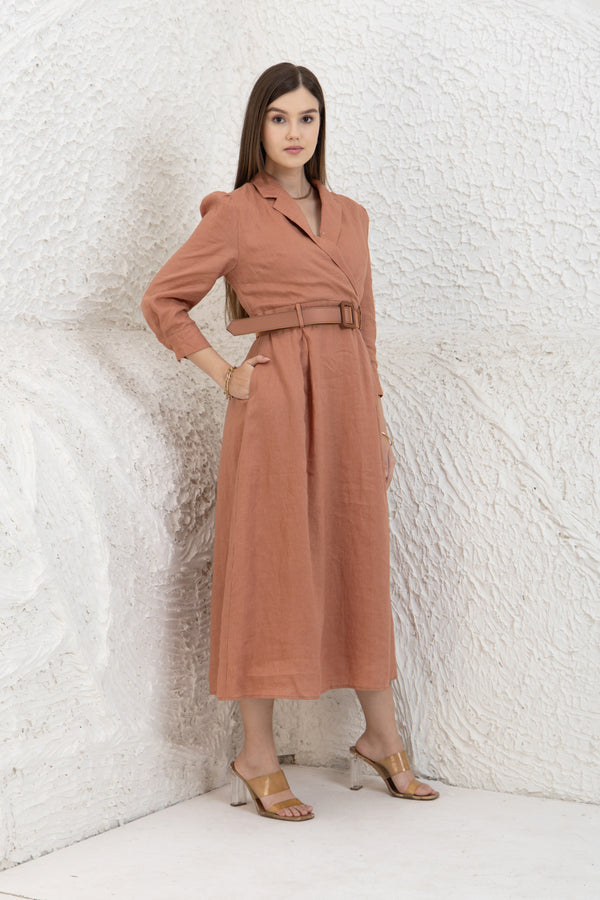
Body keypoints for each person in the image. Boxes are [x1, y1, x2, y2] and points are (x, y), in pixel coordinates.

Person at [141, 62, 439, 822]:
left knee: (358, 555)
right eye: (280, 118)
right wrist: (223, 374)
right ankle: (257, 754)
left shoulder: (353, 217)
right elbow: (164, 299)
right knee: (267, 563)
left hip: (347, 398)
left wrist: (378, 421)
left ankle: (381, 737)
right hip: (275, 400)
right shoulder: (236, 214)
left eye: (308, 117)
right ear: (259, 127)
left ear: (321, 126)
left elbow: (366, 324)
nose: (295, 131)